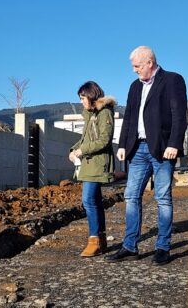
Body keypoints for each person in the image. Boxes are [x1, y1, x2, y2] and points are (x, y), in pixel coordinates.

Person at [105, 46, 187, 265]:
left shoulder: (172, 80)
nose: (134, 70)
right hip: (137, 149)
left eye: (137, 66)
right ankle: (130, 246)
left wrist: (174, 144)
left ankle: (163, 247)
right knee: (131, 196)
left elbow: (180, 115)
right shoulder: (134, 87)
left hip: (162, 149)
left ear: (149, 62)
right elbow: (129, 116)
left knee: (162, 198)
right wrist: (122, 144)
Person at [69, 81, 116, 257]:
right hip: (89, 163)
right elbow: (86, 138)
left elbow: (104, 140)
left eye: (82, 98)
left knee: (88, 200)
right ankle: (101, 241)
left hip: (97, 163)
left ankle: (94, 240)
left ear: (91, 95)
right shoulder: (91, 114)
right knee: (95, 201)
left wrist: (82, 150)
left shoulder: (104, 112)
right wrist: (74, 149)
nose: (81, 101)